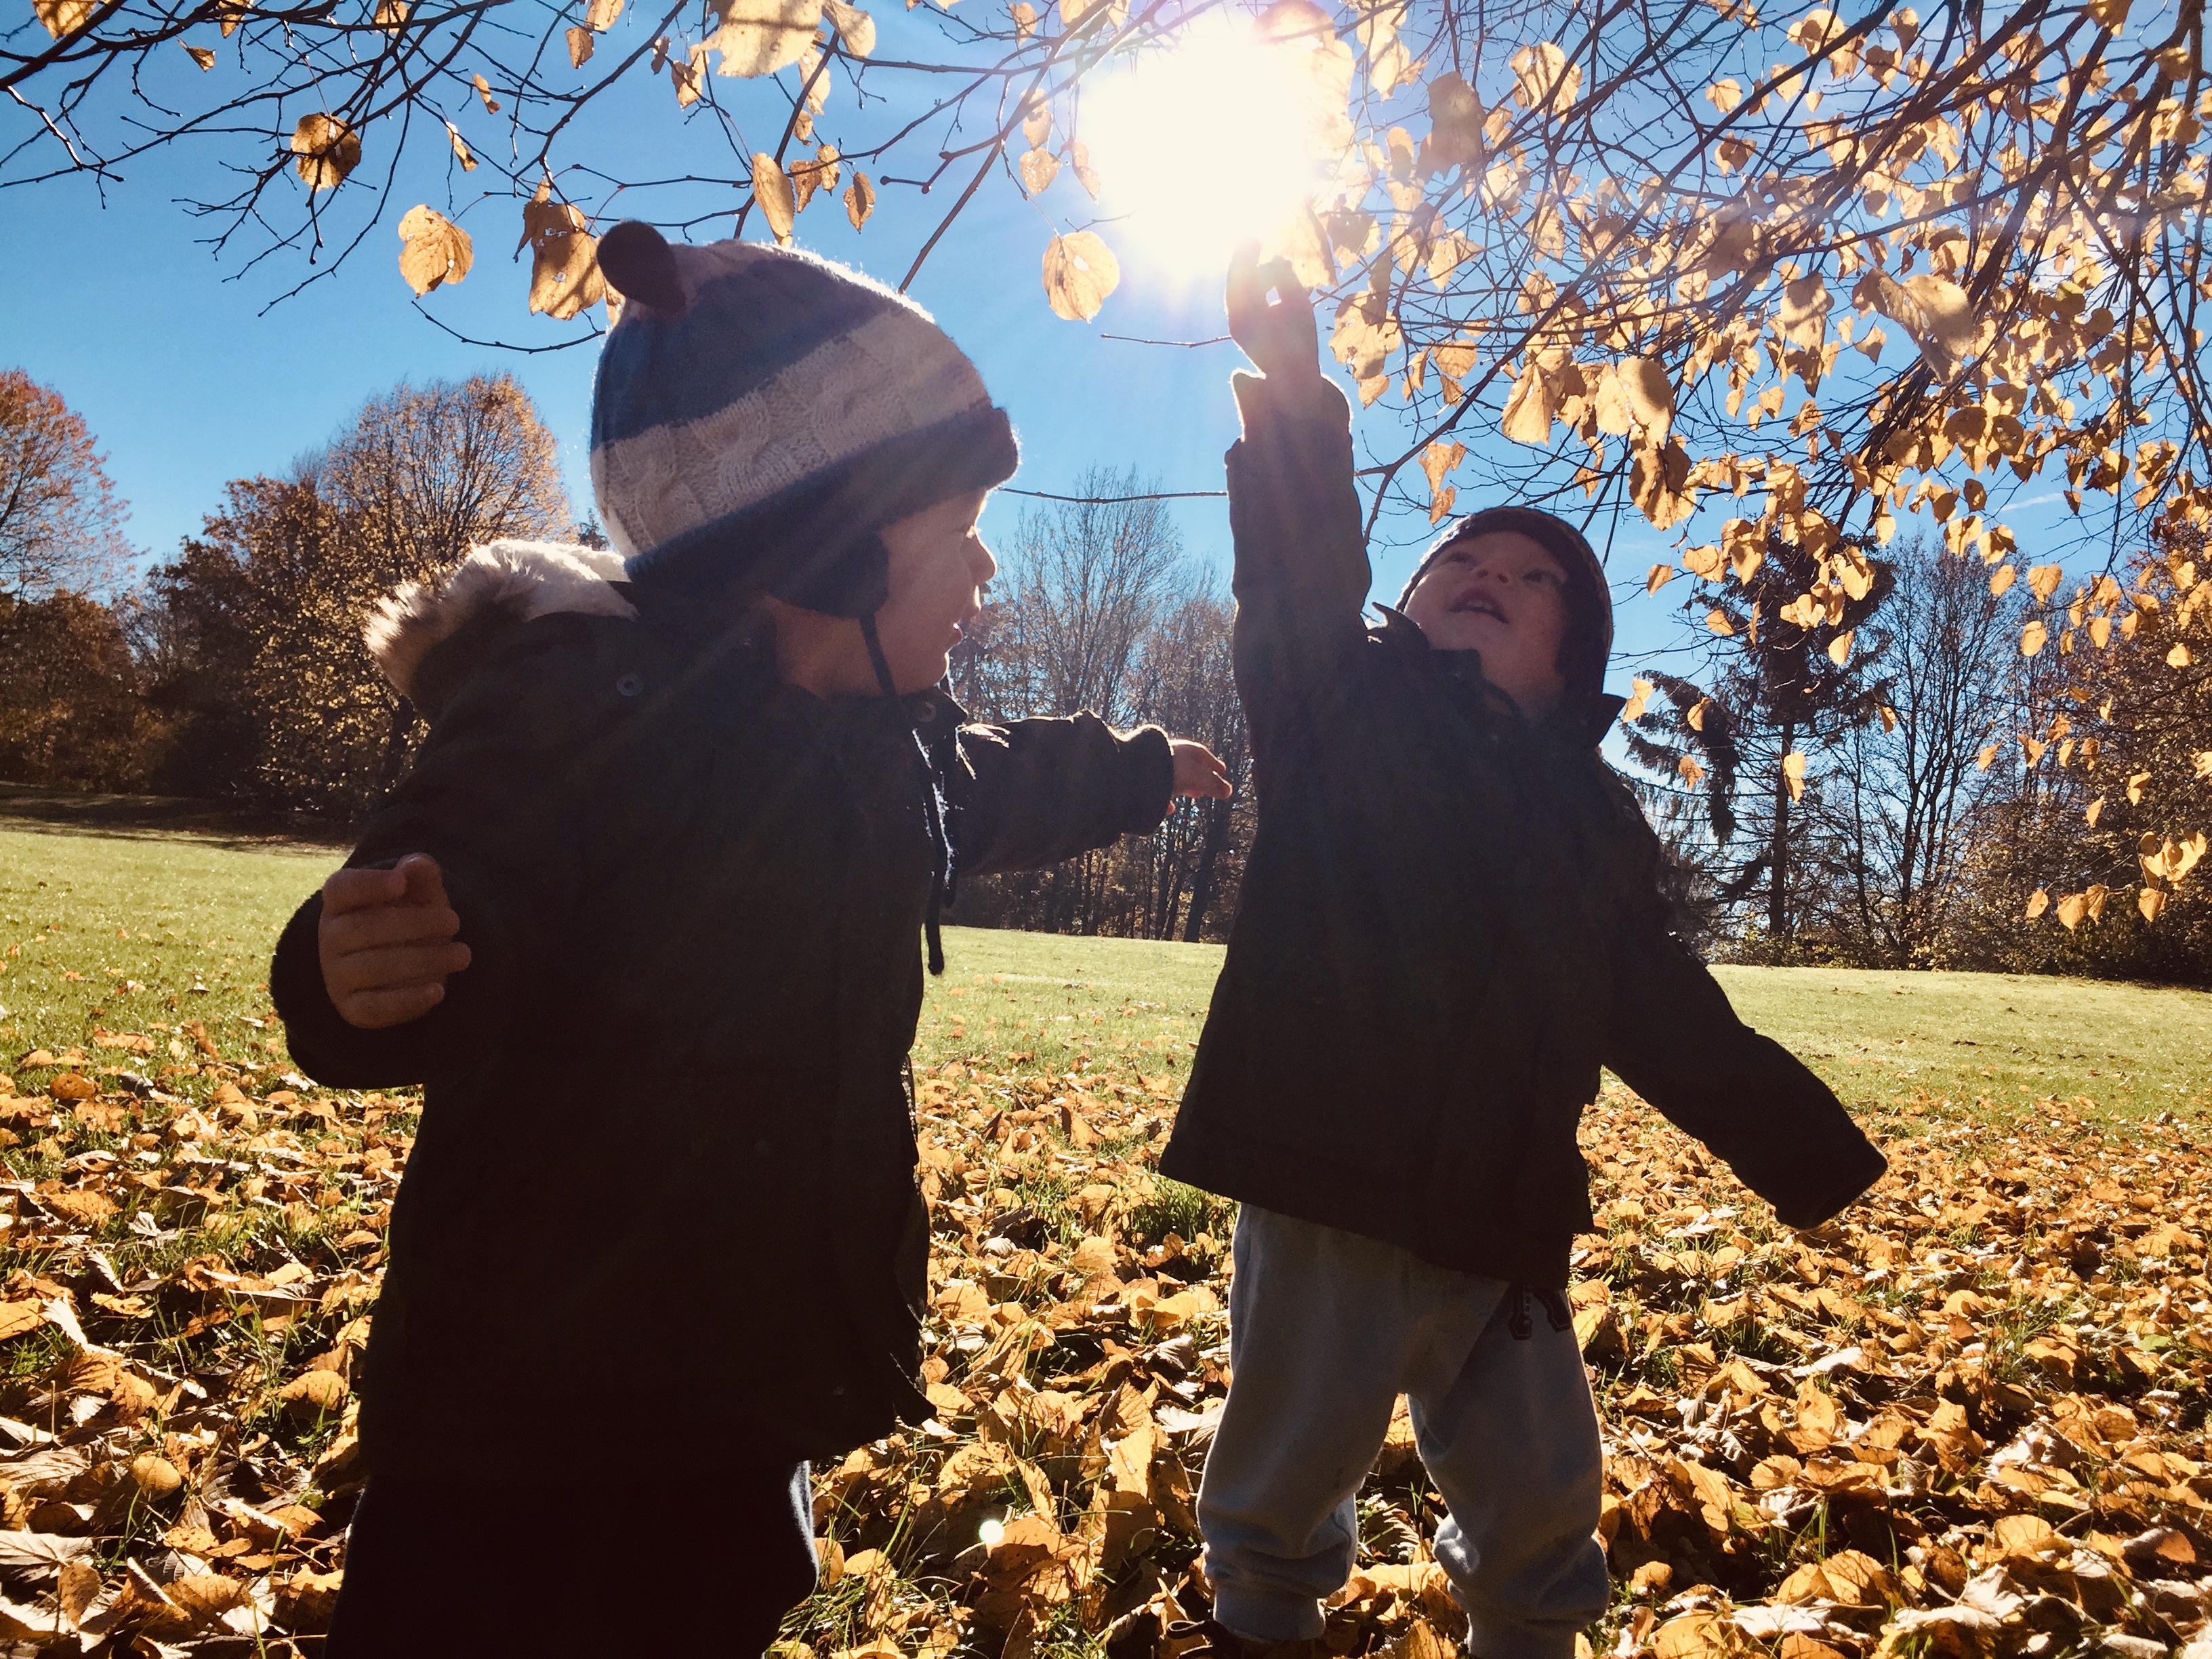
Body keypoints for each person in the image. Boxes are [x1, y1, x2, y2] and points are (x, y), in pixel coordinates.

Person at [268, 222, 1232, 1657]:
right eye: (960, 529)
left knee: (716, 1604)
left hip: (738, 1364)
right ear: (828, 543)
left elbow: (1011, 779)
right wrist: (354, 975)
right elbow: (460, 865)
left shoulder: (889, 753)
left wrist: (1141, 769)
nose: (985, 576)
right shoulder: (580, 706)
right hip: (524, 1403)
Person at [1155, 249, 1887, 1659]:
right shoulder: (1338, 710)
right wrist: (1300, 401)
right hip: (1329, 1187)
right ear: (1404, 610)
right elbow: (1302, 577)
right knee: (1290, 1458)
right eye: (1460, 567)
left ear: (1570, 660)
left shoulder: (1594, 824)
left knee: (1544, 1486)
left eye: (1530, 578)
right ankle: (1262, 1622)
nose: (1489, 576)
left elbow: (1667, 1012)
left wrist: (1809, 1151)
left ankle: (1533, 1632)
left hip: (1510, 1215)